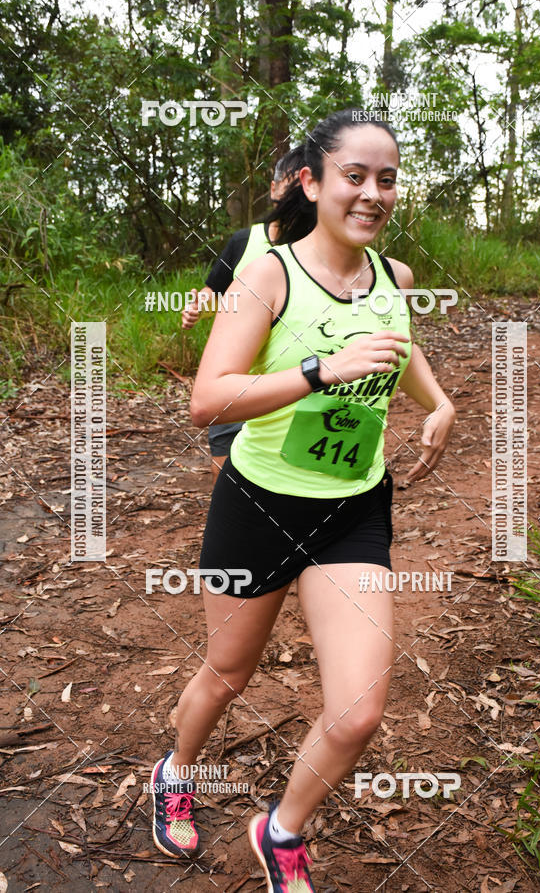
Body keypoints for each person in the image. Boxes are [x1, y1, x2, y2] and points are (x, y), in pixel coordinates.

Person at [151, 108, 456, 891]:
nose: (373, 192)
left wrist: (439, 402)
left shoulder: (397, 279)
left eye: (386, 178)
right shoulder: (268, 273)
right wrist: (323, 368)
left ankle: (281, 829)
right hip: (257, 504)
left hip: (353, 508)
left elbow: (399, 342)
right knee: (228, 672)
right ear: (313, 182)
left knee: (357, 712)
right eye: (355, 175)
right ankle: (177, 770)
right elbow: (207, 401)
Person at [182, 146, 305, 482]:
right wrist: (196, 309)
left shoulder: (315, 248)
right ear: (275, 187)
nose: (296, 189)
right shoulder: (243, 241)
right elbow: (214, 292)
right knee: (227, 480)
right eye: (290, 180)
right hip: (234, 382)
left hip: (289, 385)